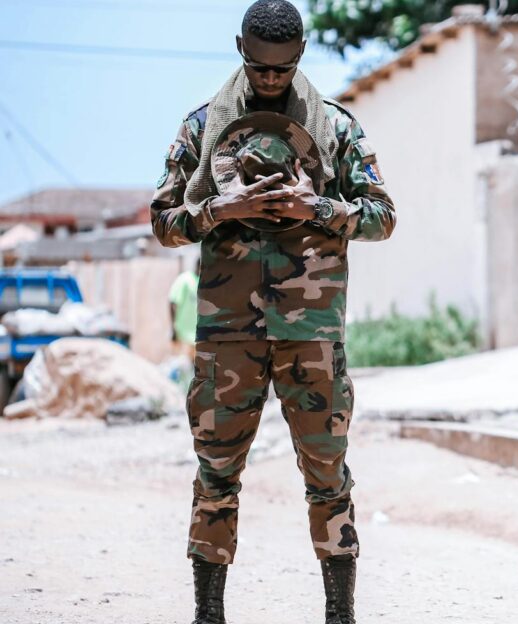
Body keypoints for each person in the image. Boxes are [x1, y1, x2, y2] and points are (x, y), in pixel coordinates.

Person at [148, 2, 395, 623]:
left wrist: (321, 207)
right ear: (240, 48)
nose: (269, 79)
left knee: (328, 475)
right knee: (216, 474)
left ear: (302, 54)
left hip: (311, 333)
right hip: (227, 334)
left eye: (282, 70)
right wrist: (216, 211)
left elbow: (383, 216)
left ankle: (340, 616)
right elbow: (161, 221)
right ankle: (209, 615)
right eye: (258, 67)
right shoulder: (203, 126)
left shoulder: (335, 128)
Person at [168, 259, 200, 364]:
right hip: (182, 335)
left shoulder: (203, 282)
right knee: (180, 367)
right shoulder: (185, 279)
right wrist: (173, 328)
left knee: (193, 370)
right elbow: (172, 302)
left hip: (197, 337)